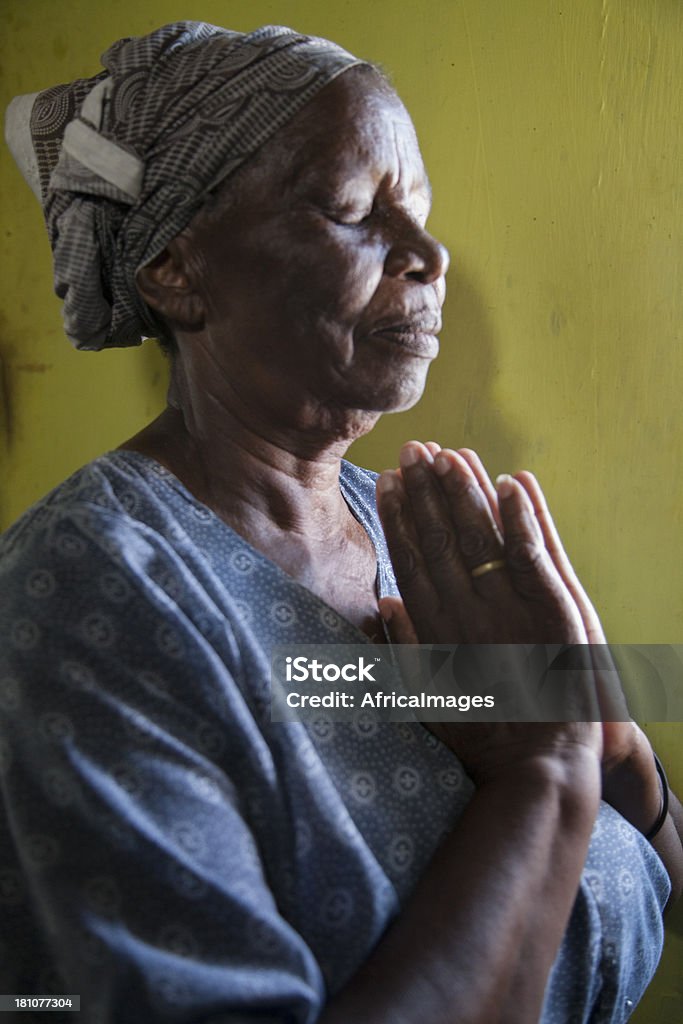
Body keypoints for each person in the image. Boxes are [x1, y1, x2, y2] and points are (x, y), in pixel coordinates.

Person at [1, 21, 681, 1024]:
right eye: (357, 209)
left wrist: (618, 756)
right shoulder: (84, 595)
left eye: (423, 212)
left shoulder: (422, 533)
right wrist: (542, 768)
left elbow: (650, 874)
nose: (428, 253)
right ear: (176, 271)